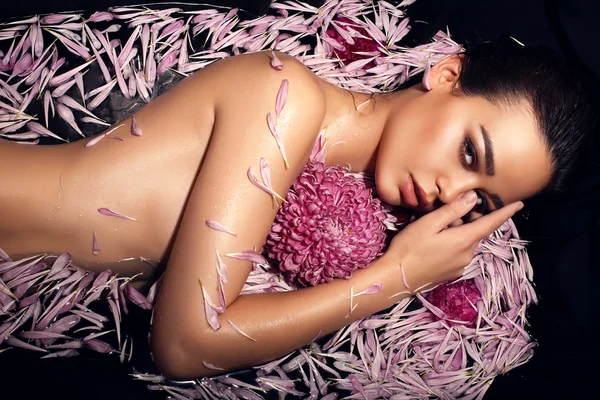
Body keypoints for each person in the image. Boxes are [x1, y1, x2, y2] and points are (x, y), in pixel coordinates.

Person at [0, 36, 594, 380]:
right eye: (469, 150)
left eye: (479, 199)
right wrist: (397, 278)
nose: (450, 192)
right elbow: (186, 343)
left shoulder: (336, 204)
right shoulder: (285, 97)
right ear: (446, 75)